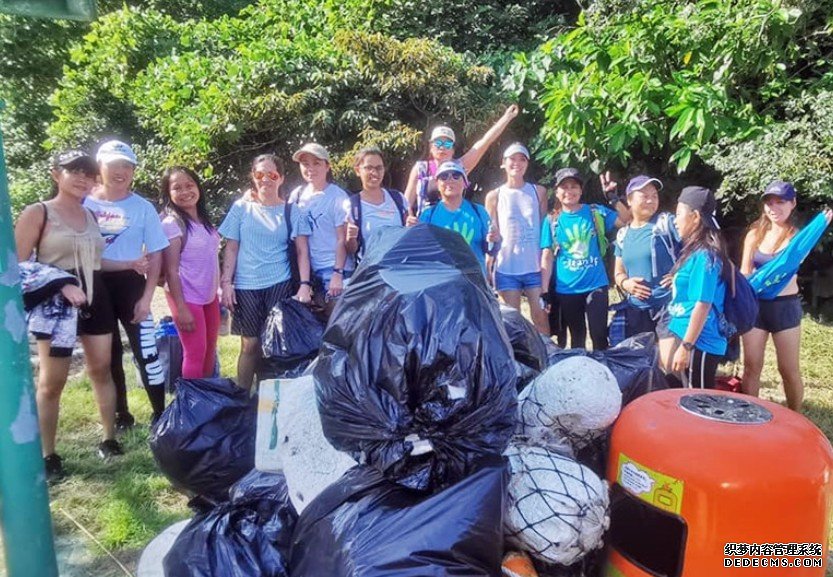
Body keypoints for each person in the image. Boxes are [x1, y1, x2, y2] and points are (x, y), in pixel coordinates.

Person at [15, 149, 122, 477]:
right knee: (53, 381)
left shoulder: (89, 214)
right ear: (55, 174)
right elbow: (17, 266)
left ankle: (109, 439)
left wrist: (131, 264)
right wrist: (61, 285)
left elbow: (95, 260)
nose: (82, 179)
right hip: (56, 304)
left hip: (96, 297)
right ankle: (48, 455)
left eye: (89, 174)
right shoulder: (38, 212)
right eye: (74, 171)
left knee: (102, 369)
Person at [85, 140, 169, 428]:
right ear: (100, 167)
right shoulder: (84, 202)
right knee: (110, 355)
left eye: (127, 166)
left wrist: (147, 298)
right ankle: (121, 415)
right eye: (114, 165)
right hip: (96, 285)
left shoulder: (142, 207)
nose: (121, 172)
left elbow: (156, 253)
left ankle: (160, 412)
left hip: (132, 283)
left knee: (146, 350)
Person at [740, 181, 833, 411]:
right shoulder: (754, 235)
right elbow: (745, 273)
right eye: (769, 203)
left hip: (785, 308)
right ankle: (749, 414)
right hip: (756, 307)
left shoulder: (798, 239)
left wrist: (821, 223)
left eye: (780, 202)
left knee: (788, 370)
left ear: (792, 204)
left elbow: (792, 261)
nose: (774, 207)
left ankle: (795, 416)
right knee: (751, 366)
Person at [218, 154, 306, 390]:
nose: (265, 179)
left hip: (280, 283)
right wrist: (226, 283)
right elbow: (232, 247)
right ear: (252, 178)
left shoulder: (291, 211)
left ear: (281, 178)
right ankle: (242, 399)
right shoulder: (241, 208)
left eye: (272, 174)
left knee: (275, 346)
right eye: (259, 174)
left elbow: (301, 252)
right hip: (247, 285)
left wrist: (305, 285)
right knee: (250, 345)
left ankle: (271, 399)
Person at [540, 168, 630, 350]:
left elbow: (627, 222)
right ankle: (578, 376)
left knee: (599, 336)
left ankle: (603, 374)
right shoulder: (551, 221)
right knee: (577, 338)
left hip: (595, 284)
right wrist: (544, 290)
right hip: (567, 288)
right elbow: (547, 256)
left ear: (581, 191)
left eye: (574, 186)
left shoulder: (595, 212)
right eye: (564, 187)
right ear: (556, 192)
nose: (569, 191)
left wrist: (613, 198)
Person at [160, 167, 221, 380]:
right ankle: (191, 406)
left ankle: (205, 400)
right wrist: (181, 308)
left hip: (209, 296)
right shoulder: (171, 224)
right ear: (168, 194)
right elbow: (171, 270)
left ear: (198, 187)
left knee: (209, 350)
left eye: (189, 185)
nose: (185, 191)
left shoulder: (203, 221)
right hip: (186, 297)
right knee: (194, 353)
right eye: (177, 188)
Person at [404, 104, 520, 216]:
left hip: (454, 226)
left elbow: (485, 142)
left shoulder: (460, 166)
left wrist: (506, 118)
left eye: (448, 144)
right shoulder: (420, 169)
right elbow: (406, 203)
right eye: (438, 143)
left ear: (453, 149)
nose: (442, 147)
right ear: (430, 147)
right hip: (426, 227)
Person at [667, 186, 730, 389]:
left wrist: (686, 346)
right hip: (685, 333)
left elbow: (702, 305)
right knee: (683, 399)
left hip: (700, 343)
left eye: (678, 214)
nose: (675, 220)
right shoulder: (692, 251)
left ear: (694, 217)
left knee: (700, 403)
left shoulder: (706, 256)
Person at [612, 175, 680, 362]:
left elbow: (694, 248)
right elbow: (618, 272)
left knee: (668, 364)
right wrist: (626, 284)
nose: (651, 200)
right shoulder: (623, 234)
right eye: (644, 195)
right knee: (639, 365)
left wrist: (678, 273)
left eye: (654, 195)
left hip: (666, 306)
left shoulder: (666, 224)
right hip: (636, 309)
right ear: (630, 201)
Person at [484, 143, 548, 334]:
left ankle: (549, 358)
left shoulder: (539, 192)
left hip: (535, 267)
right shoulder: (494, 196)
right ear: (503, 163)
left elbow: (544, 230)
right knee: (512, 323)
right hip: (506, 268)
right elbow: (491, 234)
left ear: (527, 164)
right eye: (512, 159)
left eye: (522, 159)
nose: (517, 163)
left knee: (541, 317)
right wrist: (488, 265)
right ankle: (517, 362)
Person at [290, 143, 352, 315]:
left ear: (327, 166)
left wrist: (337, 274)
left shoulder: (338, 197)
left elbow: (342, 238)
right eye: (305, 164)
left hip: (336, 271)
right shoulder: (297, 196)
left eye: (316, 163)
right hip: (310, 273)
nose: (310, 168)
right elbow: (300, 244)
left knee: (339, 326)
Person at [418, 161, 495, 273]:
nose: (450, 180)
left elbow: (491, 249)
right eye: (444, 177)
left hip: (474, 282)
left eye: (456, 176)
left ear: (465, 183)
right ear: (437, 184)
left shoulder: (478, 211)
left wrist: (495, 240)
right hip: (440, 283)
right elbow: (420, 251)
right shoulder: (427, 215)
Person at [345, 147, 408, 262]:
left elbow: (409, 234)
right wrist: (350, 238)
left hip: (399, 267)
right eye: (368, 168)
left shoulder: (398, 198)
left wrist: (412, 227)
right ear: (358, 171)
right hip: (370, 271)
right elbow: (350, 250)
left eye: (379, 168)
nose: (374, 173)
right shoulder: (352, 205)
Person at [539, 197, 567, 347]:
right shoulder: (551, 220)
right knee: (554, 314)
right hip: (553, 274)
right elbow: (546, 252)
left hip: (569, 274)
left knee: (567, 317)